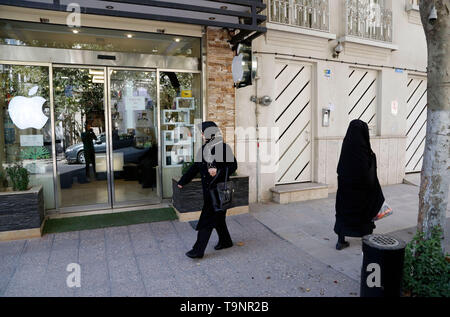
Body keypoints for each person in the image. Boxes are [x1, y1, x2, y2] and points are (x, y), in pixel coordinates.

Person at [177, 121, 238, 259]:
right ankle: (226, 241)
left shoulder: (223, 148)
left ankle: (198, 250)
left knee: (207, 220)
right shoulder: (204, 149)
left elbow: (233, 166)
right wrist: (183, 181)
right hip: (209, 192)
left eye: (204, 132)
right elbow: (195, 167)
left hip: (218, 192)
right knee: (219, 218)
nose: (202, 135)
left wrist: (217, 172)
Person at [334, 120, 385, 250]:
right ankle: (366, 242)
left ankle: (341, 241)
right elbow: (368, 174)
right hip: (362, 193)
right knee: (365, 214)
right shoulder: (364, 150)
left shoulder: (347, 146)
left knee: (344, 214)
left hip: (346, 191)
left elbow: (340, 168)